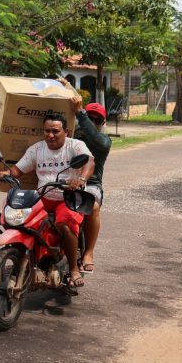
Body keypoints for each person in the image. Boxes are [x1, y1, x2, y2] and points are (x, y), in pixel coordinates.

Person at [0, 113, 95, 288]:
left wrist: (81, 179)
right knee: (20, 221)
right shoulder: (37, 149)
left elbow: (89, 163)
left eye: (55, 131)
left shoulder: (76, 146)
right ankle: (29, 258)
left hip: (67, 197)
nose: (50, 135)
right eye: (47, 131)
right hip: (43, 196)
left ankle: (73, 268)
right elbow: (18, 170)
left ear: (65, 131)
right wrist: (7, 173)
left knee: (64, 223)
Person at [71, 96, 111, 274]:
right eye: (90, 117)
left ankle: (88, 253)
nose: (93, 122)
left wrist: (81, 114)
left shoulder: (103, 141)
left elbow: (94, 136)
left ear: (103, 123)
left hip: (90, 185)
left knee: (93, 207)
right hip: (63, 181)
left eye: (97, 120)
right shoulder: (70, 135)